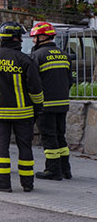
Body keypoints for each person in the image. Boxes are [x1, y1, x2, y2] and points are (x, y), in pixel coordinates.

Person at [0, 21, 43, 193]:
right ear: (16, 39)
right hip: (24, 113)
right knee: (25, 147)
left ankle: (2, 182)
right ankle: (27, 183)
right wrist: (38, 108)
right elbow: (36, 89)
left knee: (1, 146)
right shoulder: (25, 60)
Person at [29, 22, 73, 181]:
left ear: (42, 36)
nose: (34, 41)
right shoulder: (64, 55)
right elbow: (70, 81)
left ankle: (53, 170)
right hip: (62, 104)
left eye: (35, 38)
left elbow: (33, 82)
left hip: (45, 105)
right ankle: (65, 169)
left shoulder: (37, 56)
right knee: (61, 136)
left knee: (49, 137)